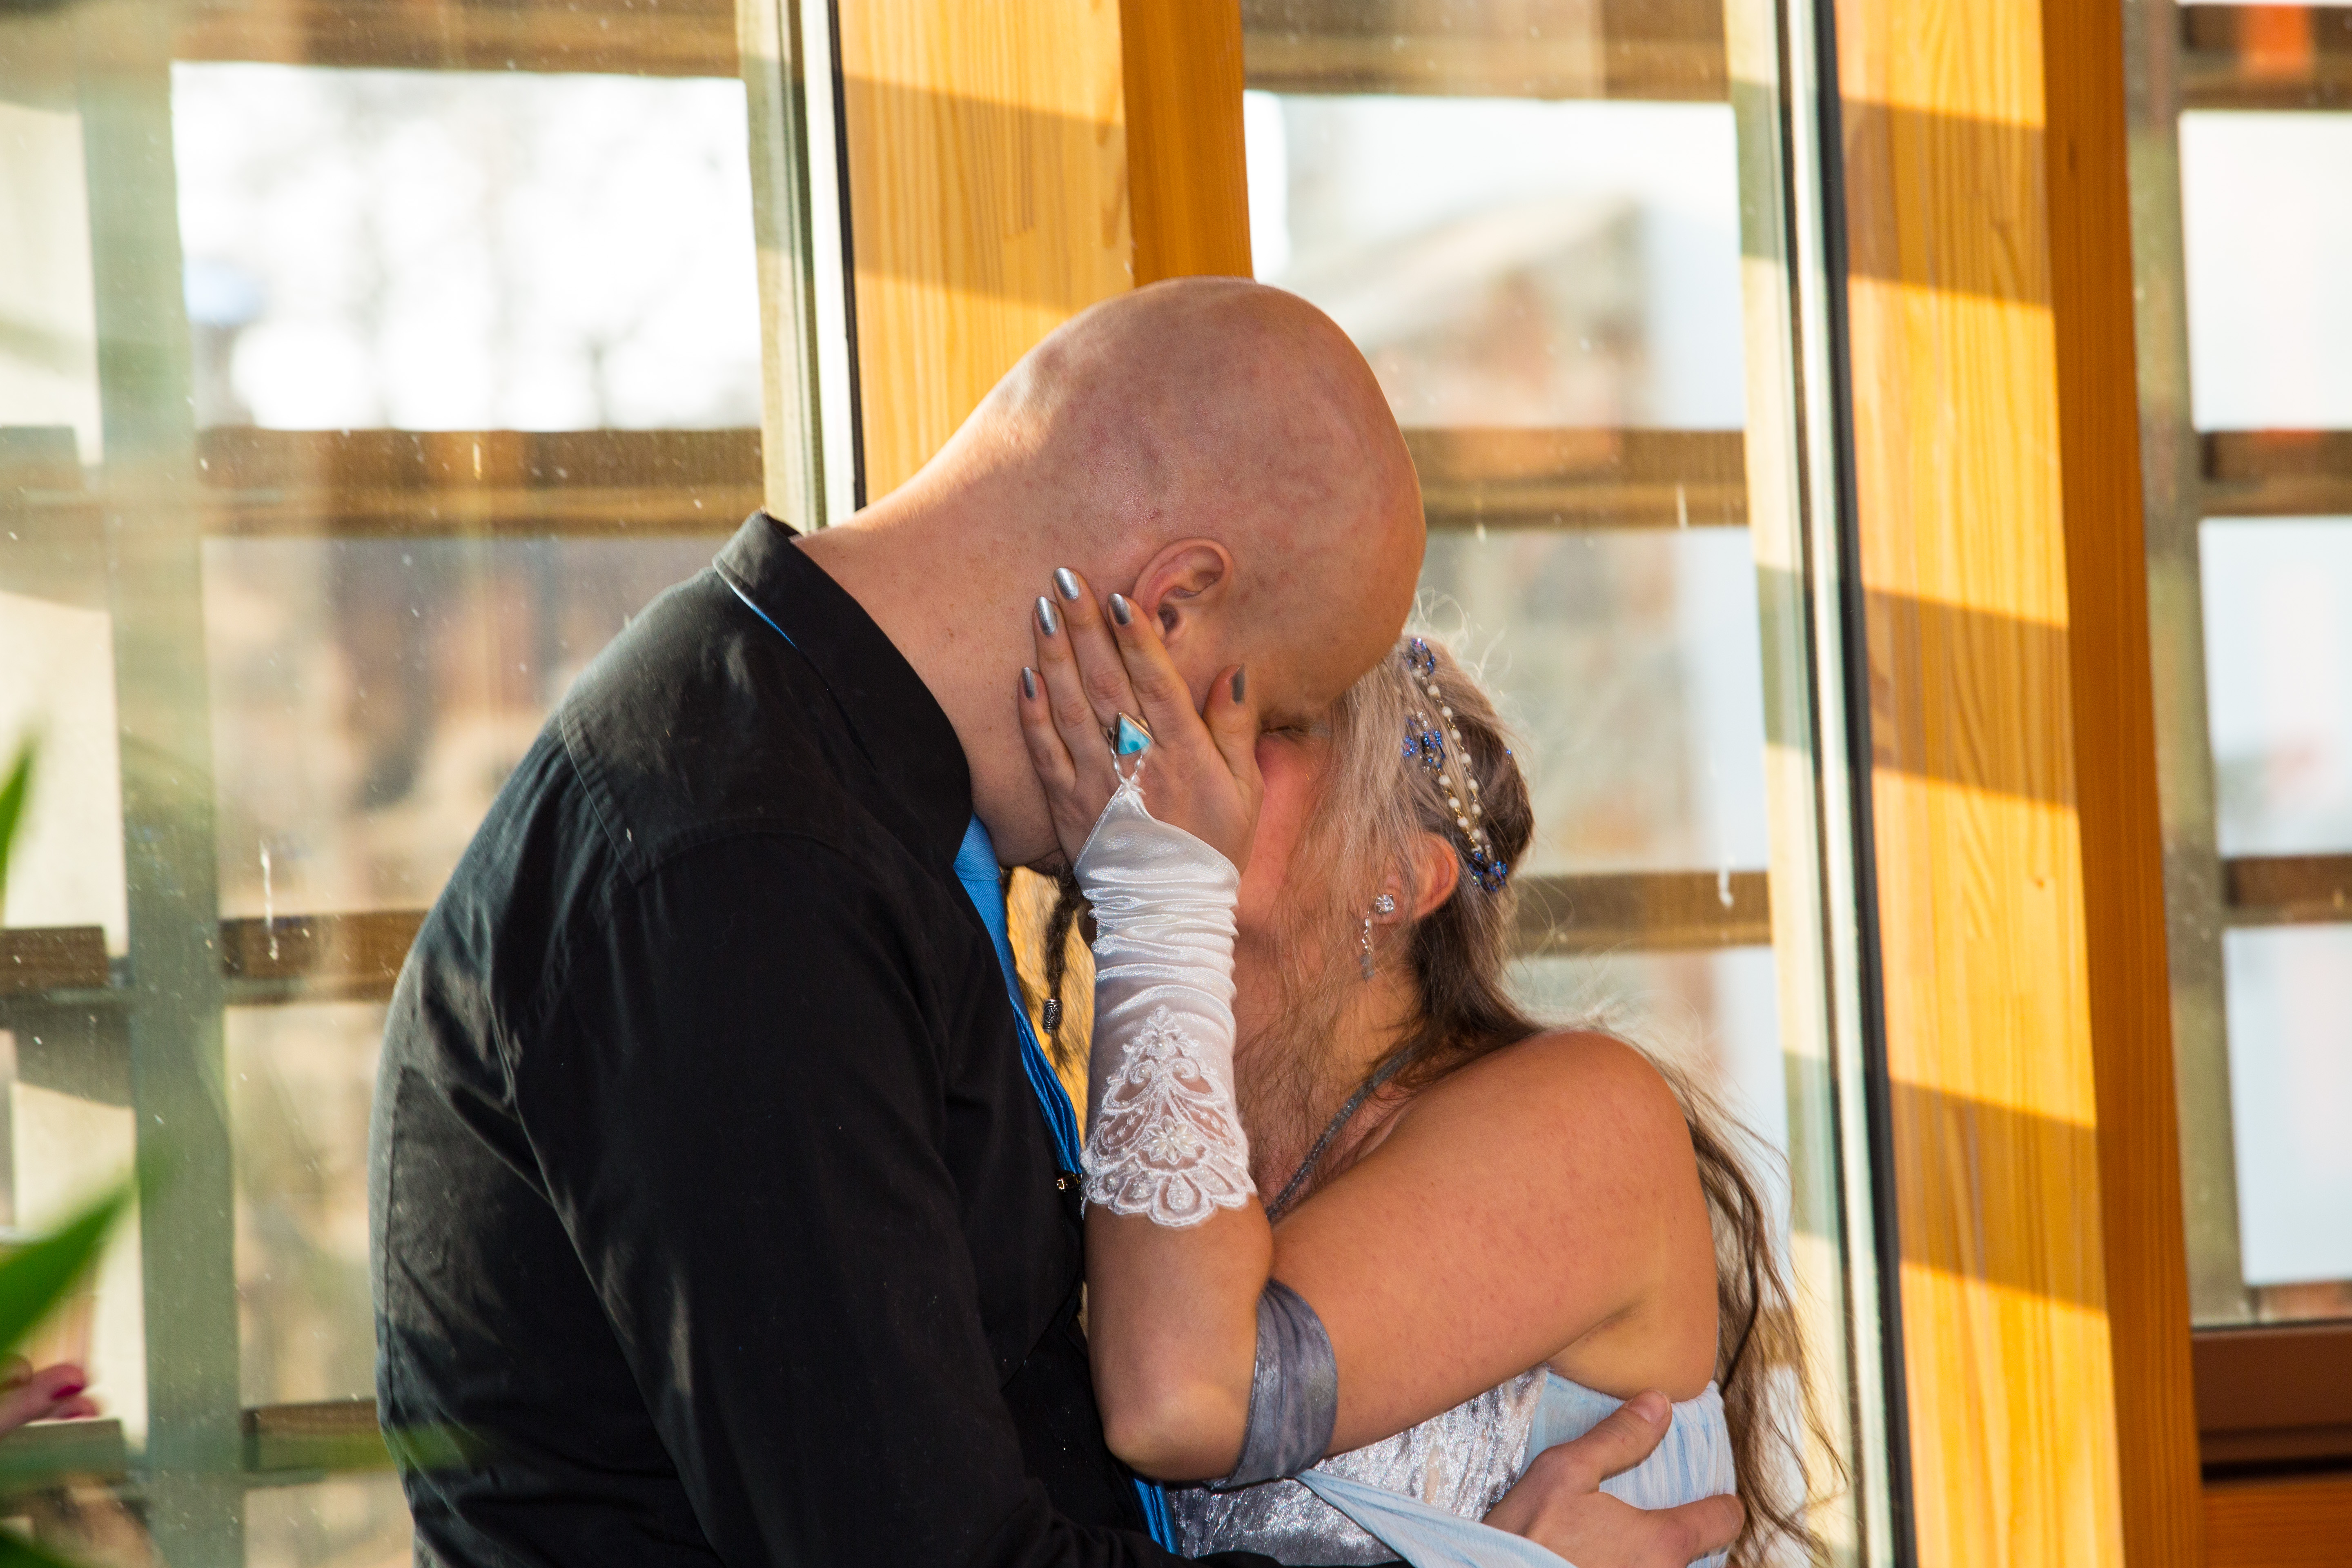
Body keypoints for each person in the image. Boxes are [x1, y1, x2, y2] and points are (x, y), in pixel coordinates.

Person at [370, 276, 1745, 1566]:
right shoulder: (744, 870)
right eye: (1263, 711)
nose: (1224, 785)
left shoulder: (851, 825)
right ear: (1173, 605)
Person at [1016, 611, 1821, 1566]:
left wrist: (1157, 895)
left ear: (1398, 877)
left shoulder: (1590, 1117)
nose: (1196, 737)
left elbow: (1181, 1399)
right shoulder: (1116, 1146)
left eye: (1273, 725)